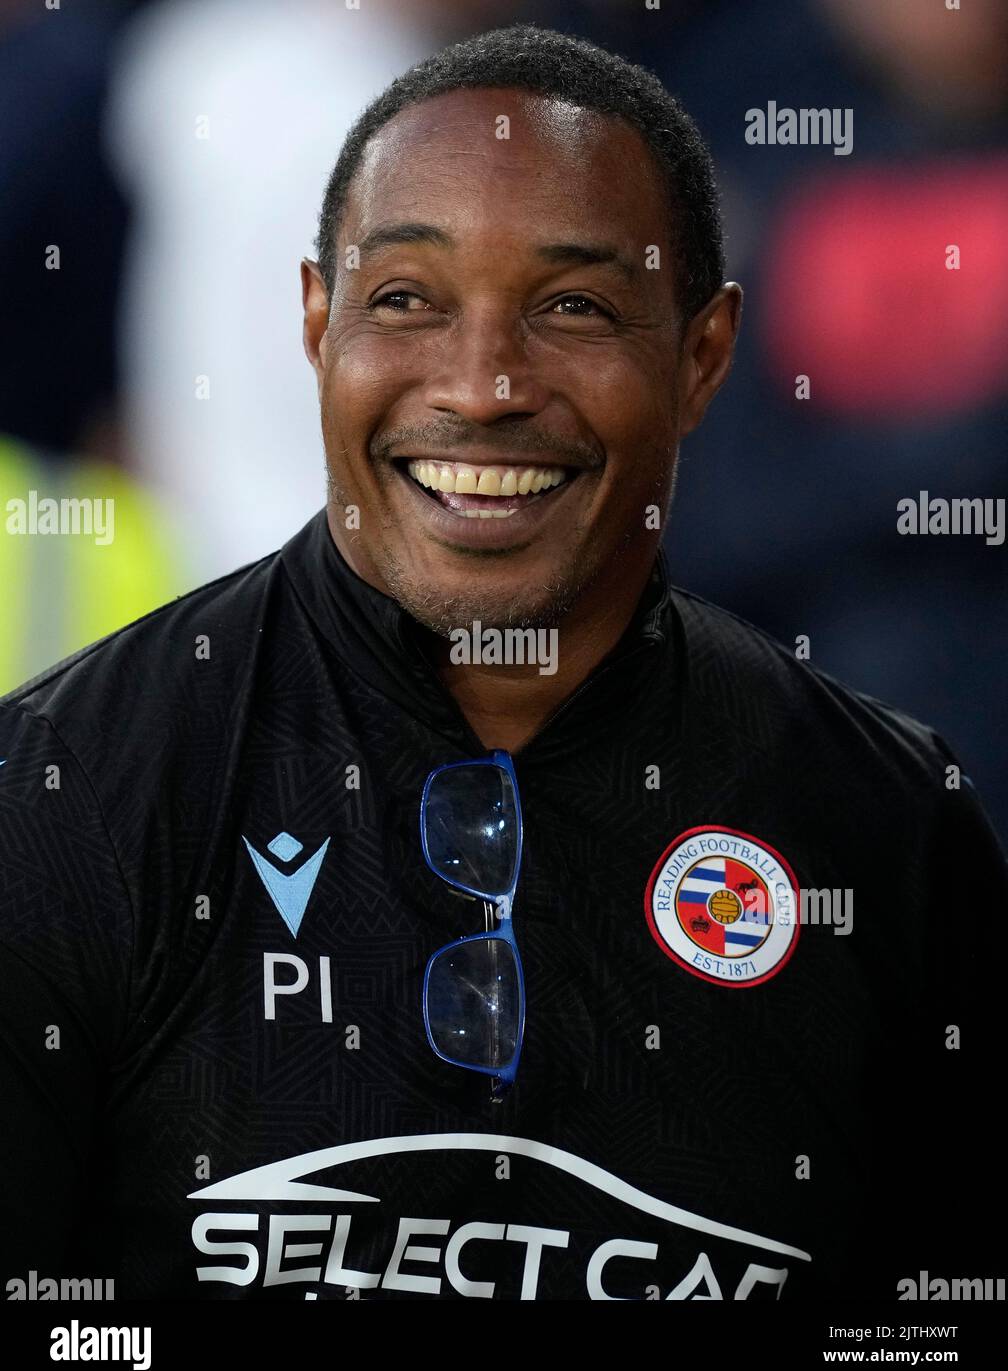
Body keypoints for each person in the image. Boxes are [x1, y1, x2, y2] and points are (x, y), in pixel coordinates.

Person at [1, 24, 1003, 1302]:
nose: (481, 387)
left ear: (704, 355)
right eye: (406, 299)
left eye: (572, 306)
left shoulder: (891, 828)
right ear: (317, 322)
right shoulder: (64, 791)